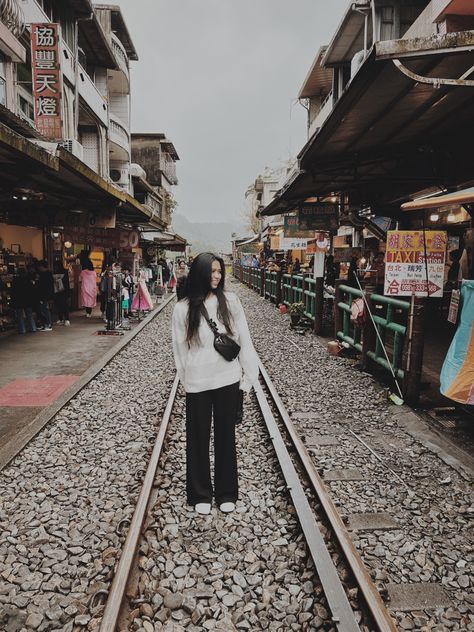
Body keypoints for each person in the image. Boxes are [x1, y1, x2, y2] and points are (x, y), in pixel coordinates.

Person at [172, 252, 259, 515]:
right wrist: (187, 381)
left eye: (219, 271)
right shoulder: (182, 308)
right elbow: (180, 350)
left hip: (227, 379)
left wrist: (248, 378)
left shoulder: (230, 301)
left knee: (226, 437)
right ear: (199, 273)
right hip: (198, 381)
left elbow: (244, 339)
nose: (217, 276)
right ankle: (200, 494)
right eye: (211, 271)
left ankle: (226, 493)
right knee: (197, 439)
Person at [11, 267, 37, 334]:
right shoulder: (28, 279)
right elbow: (32, 290)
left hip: (18, 299)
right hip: (27, 299)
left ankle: (22, 330)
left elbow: (13, 291)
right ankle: (33, 328)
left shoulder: (15, 280)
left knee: (20, 316)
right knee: (29, 314)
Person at [36, 260, 54, 331]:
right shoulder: (47, 274)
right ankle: (45, 324)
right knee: (43, 310)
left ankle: (48, 325)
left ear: (42, 266)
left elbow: (44, 287)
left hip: (44, 295)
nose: (38, 268)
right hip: (46, 295)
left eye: (39, 266)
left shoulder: (45, 275)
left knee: (45, 310)